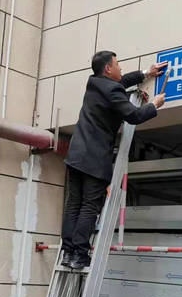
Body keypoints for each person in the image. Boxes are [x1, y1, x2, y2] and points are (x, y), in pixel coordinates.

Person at [60, 51, 168, 269]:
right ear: (108, 69)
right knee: (89, 206)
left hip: (76, 155)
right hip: (94, 158)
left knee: (73, 204)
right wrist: (154, 105)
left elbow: (121, 82)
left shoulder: (95, 83)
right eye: (117, 64)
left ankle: (68, 252)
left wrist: (145, 73)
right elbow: (134, 116)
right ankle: (80, 254)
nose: (120, 68)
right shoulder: (112, 90)